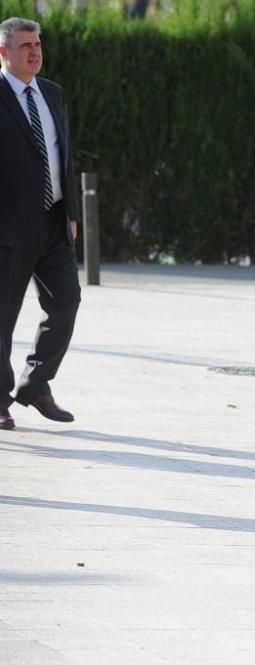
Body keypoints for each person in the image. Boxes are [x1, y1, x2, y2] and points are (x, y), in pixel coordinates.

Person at [0, 17, 81, 431]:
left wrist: (71, 214)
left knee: (66, 302)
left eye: (37, 44)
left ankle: (36, 384)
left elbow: (64, 157)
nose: (34, 51)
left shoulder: (53, 94)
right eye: (24, 46)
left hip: (53, 223)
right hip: (8, 226)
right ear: (4, 53)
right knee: (2, 316)